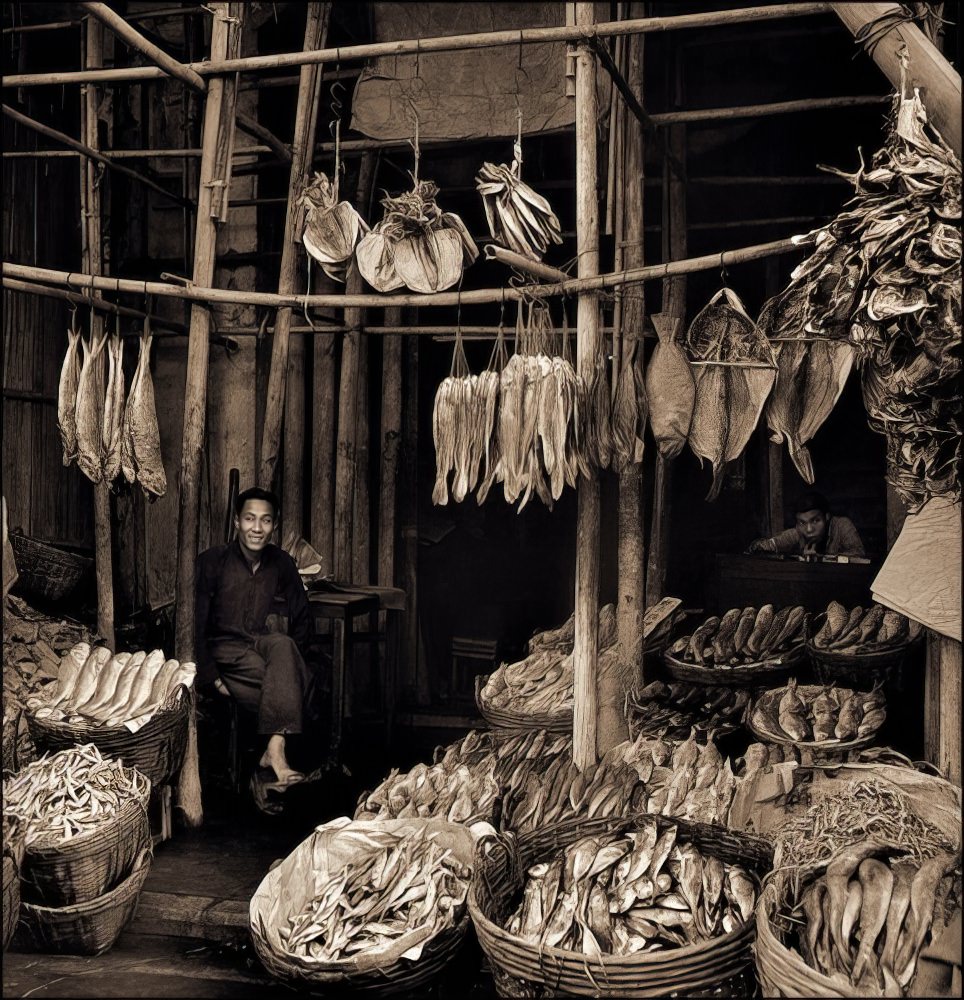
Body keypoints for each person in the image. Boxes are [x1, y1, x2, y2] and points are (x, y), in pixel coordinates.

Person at [195, 486, 312, 789]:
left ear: (274, 525)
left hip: (259, 643)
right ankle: (276, 755)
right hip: (226, 652)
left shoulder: (281, 561)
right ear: (237, 522)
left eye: (266, 520)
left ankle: (273, 751)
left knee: (284, 645)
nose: (257, 528)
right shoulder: (212, 562)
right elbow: (195, 624)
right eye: (249, 519)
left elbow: (302, 613)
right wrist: (211, 678)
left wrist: (293, 664)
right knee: (297, 688)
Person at [748, 491, 866, 557]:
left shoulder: (842, 525)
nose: (809, 529)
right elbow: (764, 546)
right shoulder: (798, 531)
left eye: (815, 521)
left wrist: (821, 559)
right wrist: (762, 546)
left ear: (827, 517)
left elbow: (859, 555)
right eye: (802, 522)